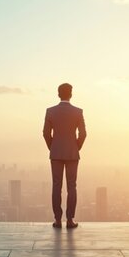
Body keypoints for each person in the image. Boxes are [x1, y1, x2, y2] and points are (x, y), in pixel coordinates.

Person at [42, 83, 86, 229]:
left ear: (58, 94)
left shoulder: (50, 111)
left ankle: (57, 220)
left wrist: (53, 147)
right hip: (72, 154)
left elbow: (46, 134)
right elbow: (83, 134)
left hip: (56, 153)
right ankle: (70, 220)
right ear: (71, 94)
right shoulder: (78, 112)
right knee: (72, 187)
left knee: (56, 186)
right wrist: (75, 147)